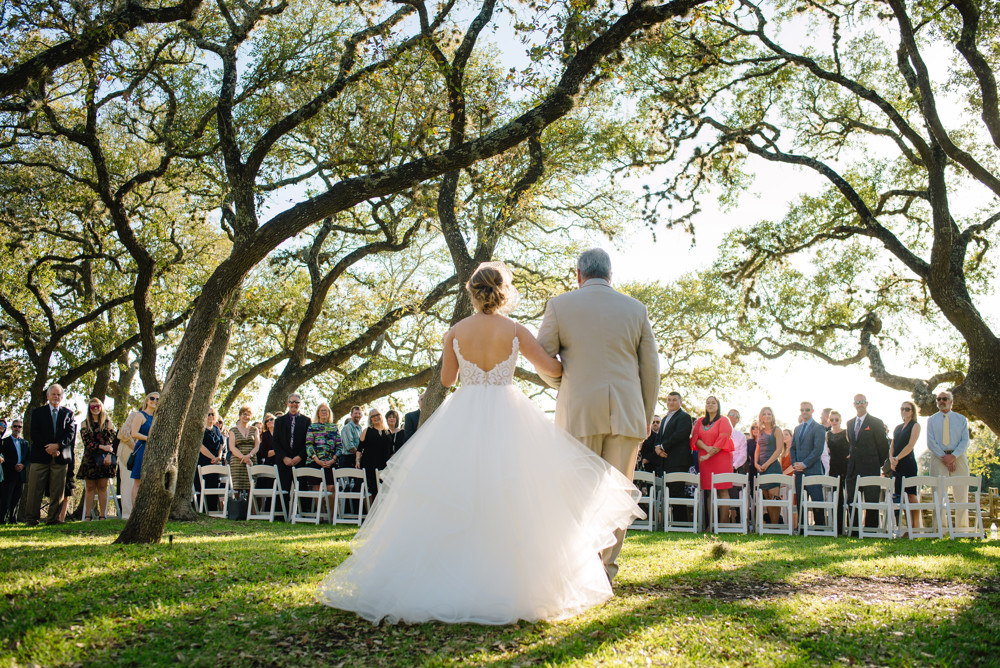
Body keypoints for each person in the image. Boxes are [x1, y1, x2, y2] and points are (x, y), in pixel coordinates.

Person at [318, 261, 643, 624]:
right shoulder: (516, 330)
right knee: (514, 492)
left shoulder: (455, 331)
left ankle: (449, 575)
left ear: (473, 292)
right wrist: (569, 361)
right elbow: (551, 368)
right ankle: (512, 580)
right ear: (504, 292)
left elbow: (447, 377)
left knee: (456, 489)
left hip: (465, 412)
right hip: (509, 411)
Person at [536, 248, 659, 580]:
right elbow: (651, 369)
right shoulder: (636, 309)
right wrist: (645, 415)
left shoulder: (559, 306)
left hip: (579, 412)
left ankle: (580, 569)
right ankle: (605, 570)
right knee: (618, 494)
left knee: (578, 492)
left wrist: (563, 381)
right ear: (610, 275)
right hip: (628, 413)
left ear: (578, 274)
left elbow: (541, 358)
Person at [24, 385, 76, 525]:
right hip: (40, 456)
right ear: (47, 396)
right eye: (53, 394)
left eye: (58, 394)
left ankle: (53, 519)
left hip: (60, 457)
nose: (56, 397)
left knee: (57, 490)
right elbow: (34, 433)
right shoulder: (37, 412)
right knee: (35, 488)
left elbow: (70, 434)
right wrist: (48, 448)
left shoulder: (68, 413)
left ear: (62, 397)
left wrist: (57, 445)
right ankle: (31, 518)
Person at [926, 390, 971, 530]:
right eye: (938, 399)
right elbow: (930, 442)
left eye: (944, 399)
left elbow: (965, 441)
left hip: (958, 457)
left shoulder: (961, 419)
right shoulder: (931, 420)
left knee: (961, 493)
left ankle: (962, 529)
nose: (941, 401)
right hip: (938, 458)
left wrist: (953, 456)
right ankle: (940, 528)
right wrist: (944, 458)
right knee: (938, 495)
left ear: (951, 401)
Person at [845, 394, 889, 531]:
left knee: (871, 500)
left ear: (867, 403)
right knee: (852, 500)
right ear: (854, 404)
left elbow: (883, 446)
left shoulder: (876, 422)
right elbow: (852, 444)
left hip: (871, 467)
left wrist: (877, 463)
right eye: (857, 402)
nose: (860, 404)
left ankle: (871, 530)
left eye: (862, 402)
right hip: (853, 468)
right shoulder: (850, 423)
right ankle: (854, 529)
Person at [691, 396, 734, 527]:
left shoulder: (724, 420)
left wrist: (709, 454)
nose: (710, 405)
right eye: (708, 403)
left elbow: (722, 440)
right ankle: (711, 525)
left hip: (721, 459)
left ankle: (723, 524)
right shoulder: (700, 421)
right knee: (709, 491)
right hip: (705, 459)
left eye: (713, 403)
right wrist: (706, 449)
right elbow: (695, 438)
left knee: (722, 491)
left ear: (718, 405)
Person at [76, 398, 116, 521]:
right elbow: (87, 443)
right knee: (90, 487)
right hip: (90, 459)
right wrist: (101, 447)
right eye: (92, 407)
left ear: (101, 407)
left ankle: (103, 515)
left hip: (105, 459)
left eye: (97, 406)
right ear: (89, 409)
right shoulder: (84, 424)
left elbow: (112, 443)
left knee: (103, 487)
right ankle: (88, 515)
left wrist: (109, 454)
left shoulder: (108, 423)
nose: (95, 408)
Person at [789, 402, 826, 530]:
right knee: (800, 501)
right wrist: (795, 464)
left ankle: (820, 528)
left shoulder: (819, 428)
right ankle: (802, 527)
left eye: (807, 410)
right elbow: (792, 448)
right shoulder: (797, 429)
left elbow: (817, 450)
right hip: (799, 472)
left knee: (816, 502)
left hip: (813, 471)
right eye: (802, 410)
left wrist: (804, 464)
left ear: (812, 411)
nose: (804, 412)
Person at [272, 394, 310, 514]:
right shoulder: (279, 421)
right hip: (284, 460)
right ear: (287, 403)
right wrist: (284, 457)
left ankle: (302, 514)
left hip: (300, 460)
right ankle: (281, 514)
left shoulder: (306, 421)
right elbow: (275, 442)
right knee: (283, 488)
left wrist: (300, 456)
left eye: (297, 402)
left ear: (300, 404)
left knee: (302, 488)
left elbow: (308, 442)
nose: (294, 404)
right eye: (292, 402)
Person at [892, 400, 922, 534]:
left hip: (908, 463)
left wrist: (898, 458)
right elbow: (892, 445)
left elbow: (910, 445)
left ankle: (915, 528)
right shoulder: (898, 427)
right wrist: (892, 459)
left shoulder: (915, 425)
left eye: (907, 409)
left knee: (911, 495)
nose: (904, 411)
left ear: (912, 412)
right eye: (902, 408)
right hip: (896, 465)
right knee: (902, 496)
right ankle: (908, 527)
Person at [305, 402, 341, 508]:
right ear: (318, 413)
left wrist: (333, 460)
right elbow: (309, 445)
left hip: (331, 461)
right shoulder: (312, 427)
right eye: (322, 410)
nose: (324, 412)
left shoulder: (334, 427)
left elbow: (339, 446)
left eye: (326, 410)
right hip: (315, 461)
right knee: (317, 488)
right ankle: (319, 515)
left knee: (331, 488)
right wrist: (317, 460)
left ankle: (331, 515)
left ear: (329, 413)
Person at [356, 408, 395, 505]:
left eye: (377, 414)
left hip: (384, 466)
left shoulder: (388, 432)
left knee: (384, 492)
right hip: (369, 466)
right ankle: (369, 515)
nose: (375, 417)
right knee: (370, 491)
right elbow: (359, 449)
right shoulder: (367, 431)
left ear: (381, 416)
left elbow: (391, 452)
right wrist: (357, 461)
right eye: (372, 416)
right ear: (370, 419)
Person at [755, 407, 784, 525]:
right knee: (766, 496)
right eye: (764, 414)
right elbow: (758, 449)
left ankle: (775, 525)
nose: (767, 416)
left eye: (769, 414)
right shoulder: (760, 432)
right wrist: (756, 464)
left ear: (772, 416)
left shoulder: (777, 430)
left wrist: (766, 464)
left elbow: (779, 450)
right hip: (762, 469)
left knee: (773, 496)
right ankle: (771, 525)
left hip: (773, 467)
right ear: (761, 417)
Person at [129, 392, 159, 507]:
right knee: (138, 481)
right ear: (147, 400)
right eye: (152, 398)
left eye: (157, 399)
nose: (154, 401)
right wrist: (149, 438)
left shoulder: (156, 417)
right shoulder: (140, 415)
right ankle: (135, 509)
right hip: (142, 449)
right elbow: (134, 433)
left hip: (154, 451)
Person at [197, 407, 226, 511]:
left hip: (216, 463)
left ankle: (213, 509)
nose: (210, 416)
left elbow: (221, 444)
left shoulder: (217, 429)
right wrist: (212, 457)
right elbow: (201, 446)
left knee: (214, 485)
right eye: (208, 414)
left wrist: (218, 457)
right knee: (203, 485)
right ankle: (202, 510)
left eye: (212, 414)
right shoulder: (200, 429)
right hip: (204, 461)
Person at [1, 418, 30, 523]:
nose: (17, 428)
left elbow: (28, 457)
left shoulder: (25, 443)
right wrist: (14, 465)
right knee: (5, 498)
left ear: (21, 429)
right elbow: (3, 457)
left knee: (16, 498)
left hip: (21, 474)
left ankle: (13, 519)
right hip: (9, 473)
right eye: (15, 426)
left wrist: (23, 465)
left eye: (19, 426)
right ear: (11, 427)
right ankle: (2, 519)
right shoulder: (5, 442)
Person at [826, 410, 850, 533]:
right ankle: (838, 527)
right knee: (837, 498)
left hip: (845, 467)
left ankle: (849, 526)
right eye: (832, 420)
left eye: (836, 419)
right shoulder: (827, 435)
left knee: (848, 497)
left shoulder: (846, 433)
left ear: (840, 420)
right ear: (829, 421)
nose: (834, 422)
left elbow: (852, 448)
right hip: (833, 467)